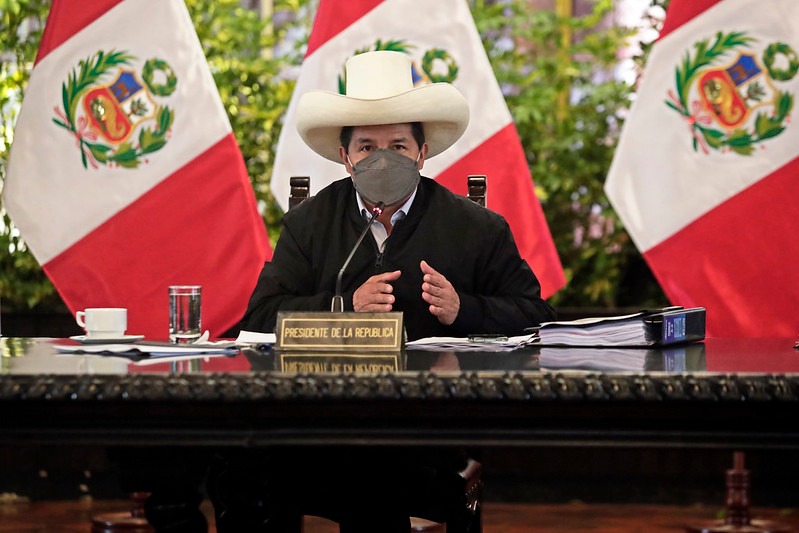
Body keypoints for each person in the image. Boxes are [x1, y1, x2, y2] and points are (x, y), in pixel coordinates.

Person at [243, 50, 555, 341]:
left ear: (422, 154)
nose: (383, 161)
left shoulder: (477, 226)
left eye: (398, 147)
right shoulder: (308, 223)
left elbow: (536, 314)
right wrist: (344, 306)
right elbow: (260, 316)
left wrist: (463, 309)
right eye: (367, 148)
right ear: (346, 158)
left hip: (438, 381)